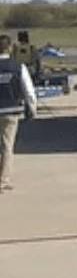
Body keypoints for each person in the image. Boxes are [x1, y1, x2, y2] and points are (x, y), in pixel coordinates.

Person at [0, 37, 36, 193]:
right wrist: (32, 108)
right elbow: (28, 89)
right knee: (7, 147)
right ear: (9, 48)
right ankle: (3, 180)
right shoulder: (18, 67)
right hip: (11, 110)